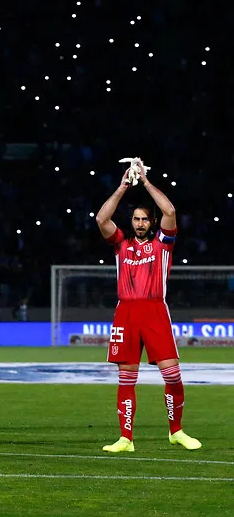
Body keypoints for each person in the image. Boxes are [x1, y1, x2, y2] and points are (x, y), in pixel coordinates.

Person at [94, 161, 201, 452]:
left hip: (155, 311)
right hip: (126, 313)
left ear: (151, 223)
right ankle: (125, 438)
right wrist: (123, 186)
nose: (140, 223)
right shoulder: (121, 244)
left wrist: (145, 181)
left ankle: (176, 431)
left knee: (172, 375)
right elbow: (101, 219)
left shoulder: (162, 243)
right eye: (136, 219)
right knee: (126, 378)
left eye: (144, 219)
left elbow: (170, 211)